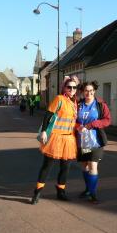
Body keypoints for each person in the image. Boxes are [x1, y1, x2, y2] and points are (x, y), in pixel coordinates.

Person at [31, 76, 79, 205]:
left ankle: (61, 191)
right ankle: (37, 192)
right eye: (69, 87)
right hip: (56, 137)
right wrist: (43, 131)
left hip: (69, 138)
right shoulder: (59, 99)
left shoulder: (74, 102)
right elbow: (48, 115)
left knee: (66, 168)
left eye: (74, 87)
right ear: (64, 87)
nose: (72, 89)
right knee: (47, 166)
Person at [76, 81, 111, 204]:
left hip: (96, 140)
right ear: (83, 92)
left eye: (91, 91)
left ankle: (93, 193)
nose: (89, 93)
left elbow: (107, 120)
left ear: (94, 91)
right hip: (82, 140)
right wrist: (78, 126)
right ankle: (87, 189)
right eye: (86, 90)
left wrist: (92, 124)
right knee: (84, 165)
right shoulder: (79, 104)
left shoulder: (100, 104)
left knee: (92, 165)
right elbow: (73, 120)